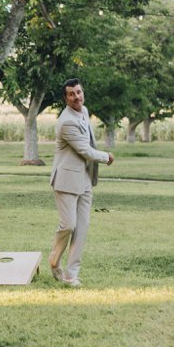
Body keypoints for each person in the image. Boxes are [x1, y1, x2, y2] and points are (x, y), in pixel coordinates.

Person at [48, 78, 113, 287]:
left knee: (82, 228)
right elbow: (84, 150)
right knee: (68, 225)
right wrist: (106, 156)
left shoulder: (84, 111)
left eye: (78, 92)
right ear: (65, 98)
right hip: (66, 180)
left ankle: (71, 275)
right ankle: (54, 260)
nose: (77, 96)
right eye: (71, 94)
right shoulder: (66, 121)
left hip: (85, 178)